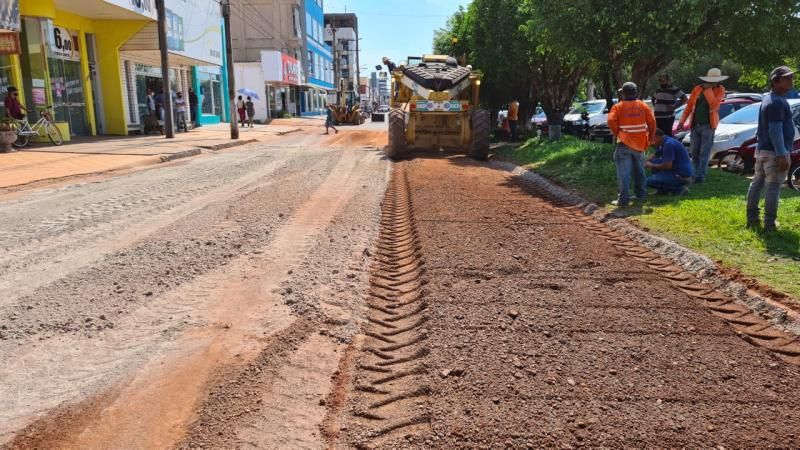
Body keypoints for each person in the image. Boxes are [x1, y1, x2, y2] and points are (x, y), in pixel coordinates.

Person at [745, 66, 795, 232]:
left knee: (757, 183)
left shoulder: (769, 98)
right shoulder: (776, 102)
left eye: (792, 77)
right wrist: (782, 154)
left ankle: (752, 220)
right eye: (787, 78)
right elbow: (775, 130)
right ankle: (769, 225)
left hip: (763, 150)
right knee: (773, 187)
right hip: (774, 152)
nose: (791, 80)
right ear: (775, 81)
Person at [608, 81, 657, 207]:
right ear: (636, 93)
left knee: (623, 173)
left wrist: (617, 133)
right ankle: (641, 195)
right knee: (639, 171)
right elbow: (652, 123)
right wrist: (650, 138)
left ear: (623, 94)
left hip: (624, 144)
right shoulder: (643, 106)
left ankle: (623, 200)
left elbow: (610, 120)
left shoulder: (618, 107)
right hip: (640, 144)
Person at [677, 68, 727, 184]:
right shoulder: (698, 88)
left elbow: (714, 105)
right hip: (695, 124)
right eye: (711, 80)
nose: (712, 82)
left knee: (704, 152)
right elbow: (689, 106)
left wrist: (708, 91)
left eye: (715, 81)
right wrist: (682, 121)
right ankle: (695, 173)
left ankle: (700, 176)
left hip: (708, 125)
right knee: (694, 152)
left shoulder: (720, 89)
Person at [645, 128, 693, 195]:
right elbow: (656, 154)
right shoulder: (665, 140)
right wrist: (645, 161)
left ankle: (679, 189)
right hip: (675, 170)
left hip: (680, 175)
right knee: (654, 161)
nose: (650, 142)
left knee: (648, 181)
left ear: (656, 136)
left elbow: (667, 166)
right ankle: (662, 191)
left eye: (651, 139)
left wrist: (650, 165)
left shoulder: (668, 144)